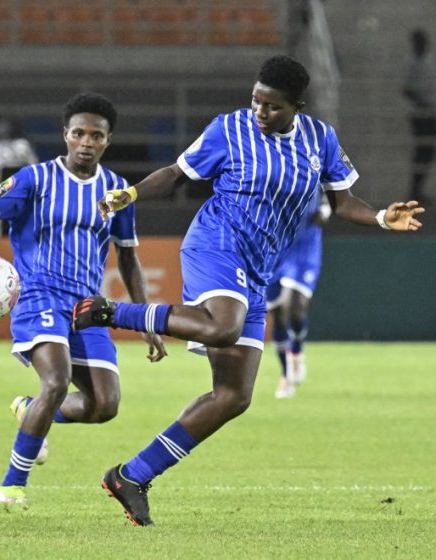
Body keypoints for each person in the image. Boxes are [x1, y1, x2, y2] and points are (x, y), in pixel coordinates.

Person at [72, 55, 424, 526]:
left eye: (272, 106)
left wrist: (381, 217)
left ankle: (131, 476)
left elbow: (342, 200)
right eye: (256, 100)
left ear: (296, 106)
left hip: (258, 267)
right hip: (217, 242)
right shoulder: (229, 129)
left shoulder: (320, 139)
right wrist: (130, 194)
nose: (259, 111)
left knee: (234, 396)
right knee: (223, 326)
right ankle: (110, 312)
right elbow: (178, 173)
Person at [0, 92, 166, 509]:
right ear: (65, 136)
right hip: (39, 296)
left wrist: (145, 319)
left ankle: (32, 410)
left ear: (107, 140)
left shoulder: (117, 192)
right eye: (78, 133)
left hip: (87, 307)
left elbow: (128, 257)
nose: (86, 142)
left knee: (104, 404)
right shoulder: (35, 180)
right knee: (55, 381)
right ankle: (12, 485)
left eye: (96, 135)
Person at [268, 191, 330, 399]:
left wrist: (325, 209)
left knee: (293, 308)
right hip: (275, 249)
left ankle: (296, 350)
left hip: (304, 248)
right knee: (277, 315)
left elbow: (330, 190)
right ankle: (286, 374)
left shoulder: (315, 161)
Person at [0, 118, 38, 241]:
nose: (5, 133)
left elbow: (34, 168)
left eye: (7, 130)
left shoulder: (18, 145)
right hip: (12, 187)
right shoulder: (1, 146)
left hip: (10, 188)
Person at [403, 29, 436, 205]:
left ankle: (418, 190)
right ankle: (415, 190)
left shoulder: (429, 62)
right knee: (422, 152)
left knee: (427, 152)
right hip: (420, 113)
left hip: (430, 113)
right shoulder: (412, 64)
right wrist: (422, 101)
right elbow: (407, 89)